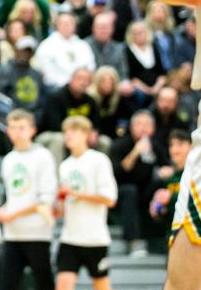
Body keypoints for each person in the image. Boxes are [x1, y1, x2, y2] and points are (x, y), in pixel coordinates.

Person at [0, 109, 56, 290]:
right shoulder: (8, 159)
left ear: (32, 130)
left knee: (44, 282)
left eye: (22, 127)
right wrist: (2, 210)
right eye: (13, 127)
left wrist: (13, 214)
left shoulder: (43, 156)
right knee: (7, 284)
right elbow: (14, 197)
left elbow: (45, 200)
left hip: (37, 233)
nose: (17, 132)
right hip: (12, 234)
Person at [55, 116, 118, 290]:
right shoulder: (65, 165)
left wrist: (75, 193)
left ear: (85, 134)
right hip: (69, 237)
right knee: (62, 285)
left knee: (101, 285)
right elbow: (63, 208)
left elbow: (109, 199)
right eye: (66, 131)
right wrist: (58, 203)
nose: (68, 135)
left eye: (73, 131)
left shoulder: (98, 160)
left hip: (94, 239)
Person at [110, 110, 163, 258]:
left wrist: (166, 171)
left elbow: (167, 167)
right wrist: (135, 152)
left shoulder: (156, 147)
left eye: (147, 125)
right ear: (132, 127)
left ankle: (161, 238)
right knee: (130, 190)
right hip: (120, 192)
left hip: (144, 193)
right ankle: (134, 240)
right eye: (139, 124)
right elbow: (117, 172)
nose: (143, 128)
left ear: (153, 129)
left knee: (162, 186)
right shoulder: (120, 145)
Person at [32, 12, 96, 88]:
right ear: (57, 25)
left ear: (74, 26)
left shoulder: (83, 45)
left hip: (81, 87)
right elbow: (41, 69)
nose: (66, 26)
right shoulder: (47, 45)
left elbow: (91, 68)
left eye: (69, 23)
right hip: (55, 87)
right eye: (63, 23)